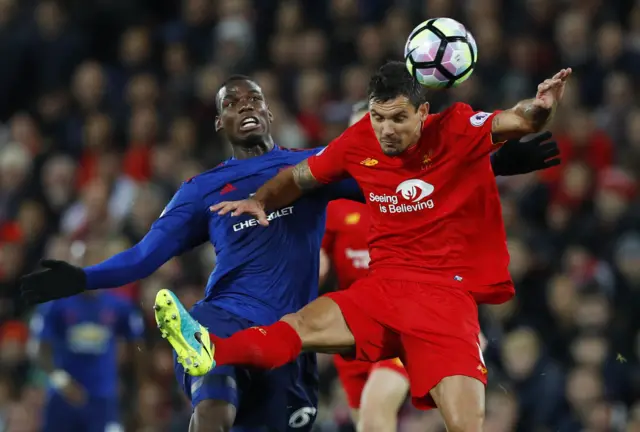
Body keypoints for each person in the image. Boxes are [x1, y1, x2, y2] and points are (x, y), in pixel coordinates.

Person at [22, 74, 558, 431]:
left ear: (269, 112)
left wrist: (497, 163)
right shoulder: (201, 189)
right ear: (220, 124)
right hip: (223, 316)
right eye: (232, 103)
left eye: (253, 98)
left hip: (288, 342)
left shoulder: (315, 168)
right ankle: (202, 347)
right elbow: (143, 258)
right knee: (214, 401)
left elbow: (402, 178)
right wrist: (80, 278)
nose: (245, 106)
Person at [29, 289, 144, 432]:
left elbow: (138, 345)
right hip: (63, 397)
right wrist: (62, 381)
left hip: (102, 398)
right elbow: (39, 350)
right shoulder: (55, 305)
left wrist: (133, 386)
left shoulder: (119, 305)